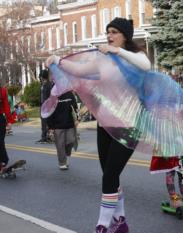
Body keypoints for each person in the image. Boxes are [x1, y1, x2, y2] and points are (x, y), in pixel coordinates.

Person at [46, 17, 151, 233]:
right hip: (104, 125)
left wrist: (117, 52)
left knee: (110, 174)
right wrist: (58, 59)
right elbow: (78, 70)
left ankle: (102, 225)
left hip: (129, 126)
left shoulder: (134, 57)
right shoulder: (103, 60)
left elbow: (146, 65)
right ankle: (120, 221)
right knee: (109, 175)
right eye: (108, 32)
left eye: (114, 32)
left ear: (125, 36)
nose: (109, 36)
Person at [46, 91, 78, 170]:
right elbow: (49, 111)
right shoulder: (53, 95)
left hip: (69, 123)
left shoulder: (70, 94)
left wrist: (76, 118)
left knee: (71, 141)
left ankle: (66, 154)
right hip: (57, 125)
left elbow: (75, 107)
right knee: (60, 145)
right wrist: (50, 126)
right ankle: (62, 163)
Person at [0, 84, 15, 173]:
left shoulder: (3, 91)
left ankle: (4, 161)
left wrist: (9, 121)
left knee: (1, 141)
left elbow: (6, 106)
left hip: (0, 119)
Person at [36, 69, 53, 144]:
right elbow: (41, 96)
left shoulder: (49, 85)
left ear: (43, 76)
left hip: (47, 106)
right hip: (42, 106)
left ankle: (48, 137)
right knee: (43, 122)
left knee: (47, 122)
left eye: (41, 76)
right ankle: (43, 137)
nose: (40, 78)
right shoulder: (42, 85)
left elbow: (51, 96)